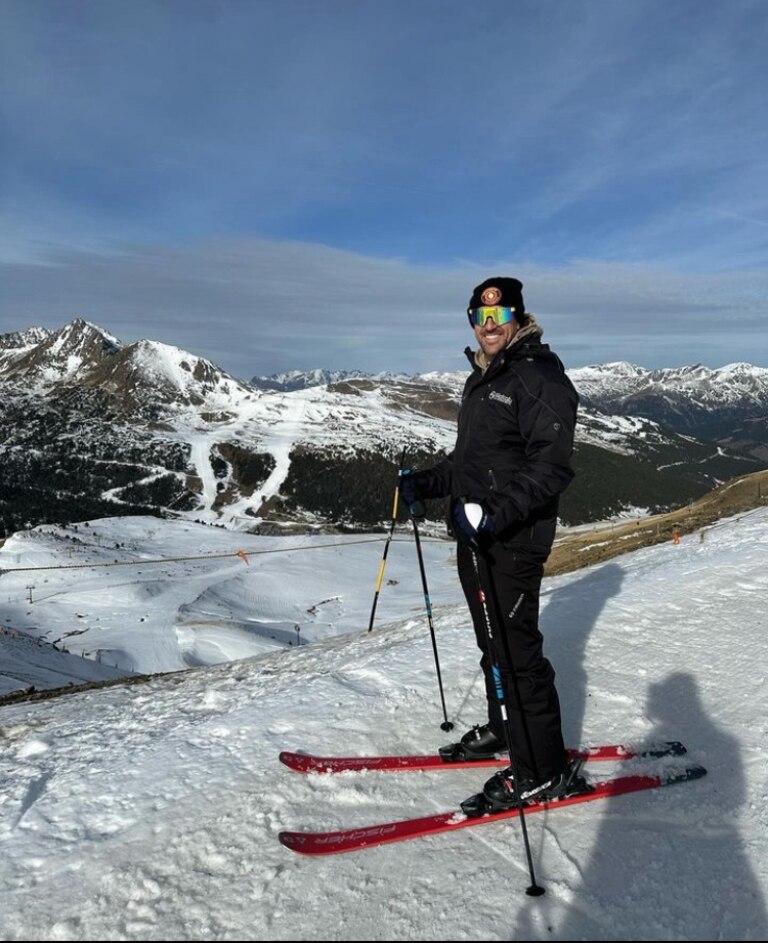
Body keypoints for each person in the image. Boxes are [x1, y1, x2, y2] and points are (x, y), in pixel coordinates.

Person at [399, 276, 587, 812]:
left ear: (518, 319)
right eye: (479, 319)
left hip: (512, 540)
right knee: (493, 647)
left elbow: (551, 467)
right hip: (475, 537)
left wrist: (495, 513)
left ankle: (542, 770)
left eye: (498, 317)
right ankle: (507, 730)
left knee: (518, 655)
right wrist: (429, 482)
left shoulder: (537, 377)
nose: (488, 327)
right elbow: (473, 462)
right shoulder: (484, 379)